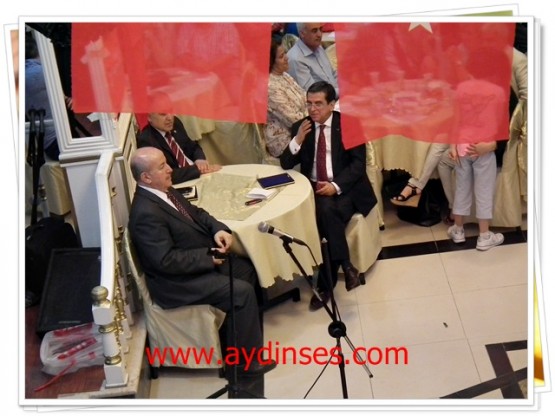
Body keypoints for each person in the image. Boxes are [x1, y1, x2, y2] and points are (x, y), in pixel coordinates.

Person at [128, 147, 276, 375]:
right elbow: (165, 260)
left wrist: (218, 229)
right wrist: (209, 257)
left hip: (193, 263)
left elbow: (197, 213)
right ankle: (244, 363)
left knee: (246, 269)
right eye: (162, 167)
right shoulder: (145, 213)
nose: (170, 169)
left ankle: (235, 341)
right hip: (176, 283)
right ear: (146, 177)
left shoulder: (164, 190)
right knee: (242, 292)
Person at [280, 81, 377, 310]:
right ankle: (346, 265)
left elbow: (358, 165)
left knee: (326, 214)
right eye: (309, 104)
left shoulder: (350, 125)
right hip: (316, 188)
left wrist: (335, 186)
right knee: (326, 210)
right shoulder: (301, 127)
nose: (312, 109)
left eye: (318, 104)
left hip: (347, 188)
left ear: (332, 105)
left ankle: (326, 285)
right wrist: (297, 140)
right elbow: (285, 163)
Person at [447, 48, 508, 251]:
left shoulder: (461, 89)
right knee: (484, 191)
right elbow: (501, 125)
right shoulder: (499, 92)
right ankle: (484, 235)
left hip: (462, 147)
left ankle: (458, 230)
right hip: (485, 148)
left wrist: (453, 145)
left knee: (461, 189)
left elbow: (455, 120)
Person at [137, 112, 221, 184]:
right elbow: (164, 175)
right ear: (149, 117)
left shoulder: (176, 123)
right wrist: (197, 170)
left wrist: (200, 159)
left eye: (171, 111)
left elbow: (192, 146)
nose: (170, 118)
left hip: (198, 173)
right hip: (181, 183)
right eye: (163, 114)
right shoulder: (147, 140)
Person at [264, 39, 307, 160]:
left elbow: (305, 97)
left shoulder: (284, 75)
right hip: (285, 142)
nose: (287, 58)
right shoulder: (270, 87)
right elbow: (294, 120)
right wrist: (316, 112)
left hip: (301, 129)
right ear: (271, 62)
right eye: (281, 56)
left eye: (285, 53)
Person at [286, 23, 339, 98]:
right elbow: (313, 94)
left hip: (335, 95)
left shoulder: (318, 47)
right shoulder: (296, 59)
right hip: (322, 102)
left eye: (320, 29)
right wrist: (343, 91)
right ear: (302, 34)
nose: (319, 34)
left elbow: (333, 74)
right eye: (314, 31)